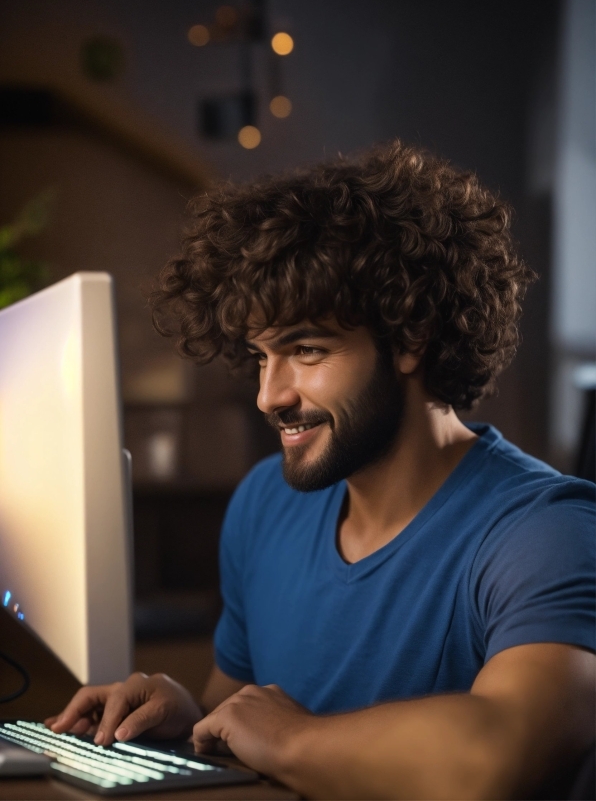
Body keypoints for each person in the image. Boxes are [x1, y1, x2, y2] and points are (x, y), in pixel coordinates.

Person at [47, 141, 595, 799]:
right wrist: (187, 717)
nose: (269, 395)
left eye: (306, 350)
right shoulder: (263, 503)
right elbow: (242, 719)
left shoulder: (546, 532)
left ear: (411, 337)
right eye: (260, 356)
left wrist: (289, 738)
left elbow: (498, 758)